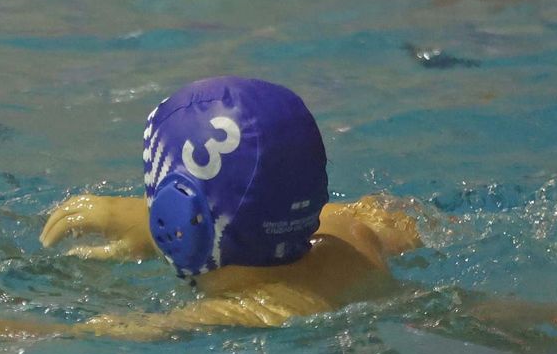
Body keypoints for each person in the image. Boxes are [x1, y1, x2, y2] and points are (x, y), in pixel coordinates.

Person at [39, 76, 425, 340]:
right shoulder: (351, 235)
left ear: (182, 213)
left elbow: (69, 336)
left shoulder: (235, 315)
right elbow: (396, 215)